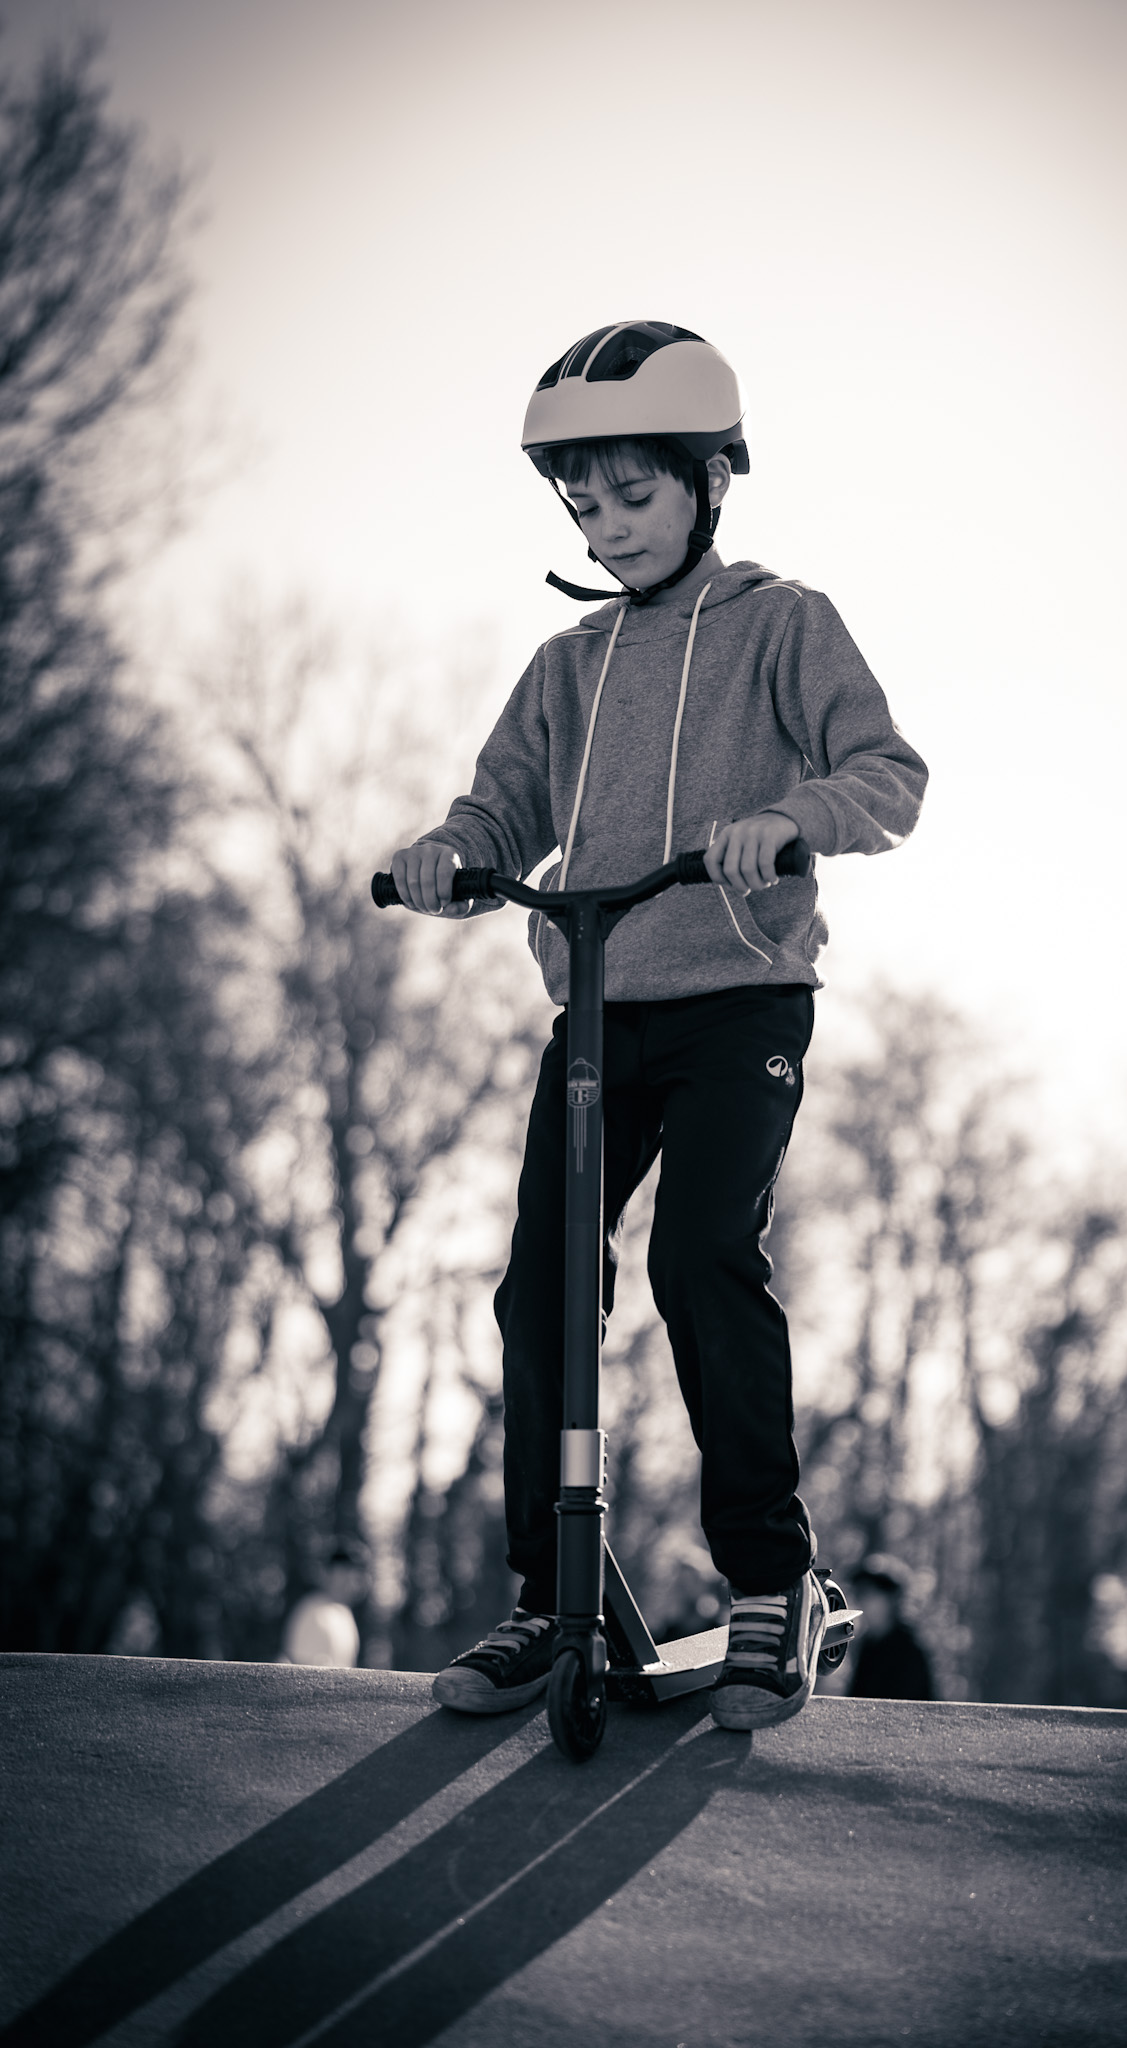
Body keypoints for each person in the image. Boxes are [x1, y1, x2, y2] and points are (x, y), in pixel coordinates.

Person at [388, 321, 928, 1731]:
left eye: (634, 495)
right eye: (583, 502)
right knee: (543, 1293)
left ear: (709, 479)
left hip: (739, 995)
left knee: (699, 1259)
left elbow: (886, 770)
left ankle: (771, 1581)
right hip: (598, 1012)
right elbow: (499, 804)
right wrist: (455, 851)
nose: (608, 525)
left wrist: (790, 821)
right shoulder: (568, 665)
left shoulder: (781, 623)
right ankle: (548, 1593)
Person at [847, 1557, 936, 1701]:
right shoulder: (867, 1645)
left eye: (870, 1594)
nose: (862, 1601)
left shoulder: (910, 1648)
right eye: (859, 1594)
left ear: (892, 1598)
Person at [278, 1538, 370, 1669]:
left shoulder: (344, 1614)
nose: (349, 1582)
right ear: (326, 1573)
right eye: (342, 1573)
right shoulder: (313, 1613)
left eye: (354, 1575)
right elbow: (295, 1669)